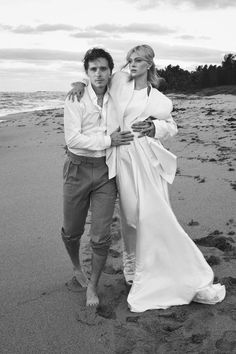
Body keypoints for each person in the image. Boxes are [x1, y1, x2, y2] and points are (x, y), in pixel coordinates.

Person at [69, 44, 225, 313]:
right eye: (130, 59)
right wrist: (80, 84)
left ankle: (173, 265)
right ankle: (132, 263)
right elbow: (98, 79)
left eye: (139, 61)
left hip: (146, 159)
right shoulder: (119, 81)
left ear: (150, 65)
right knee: (130, 216)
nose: (132, 64)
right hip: (120, 157)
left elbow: (171, 126)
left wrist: (154, 127)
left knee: (155, 213)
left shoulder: (159, 100)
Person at [61, 48, 135, 307]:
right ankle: (76, 268)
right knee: (72, 232)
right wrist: (108, 140)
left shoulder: (116, 92)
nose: (99, 73)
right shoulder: (75, 99)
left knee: (101, 236)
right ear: (86, 72)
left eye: (103, 68)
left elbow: (136, 70)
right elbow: (73, 140)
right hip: (77, 169)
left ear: (111, 71)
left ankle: (93, 286)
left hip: (106, 171)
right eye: (93, 69)